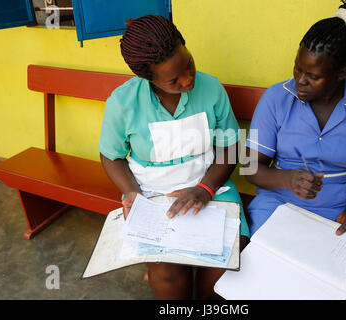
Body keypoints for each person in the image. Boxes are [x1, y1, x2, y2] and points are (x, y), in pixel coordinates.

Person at [98, 15, 250, 300]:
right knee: (166, 268)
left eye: (189, 64)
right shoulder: (123, 103)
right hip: (153, 195)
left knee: (226, 259)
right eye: (173, 80)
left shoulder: (212, 89)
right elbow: (111, 156)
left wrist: (204, 189)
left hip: (211, 184)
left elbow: (229, 146)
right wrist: (132, 194)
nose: (188, 79)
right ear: (148, 79)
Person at [244, 1, 346, 236]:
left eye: (313, 76)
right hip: (278, 204)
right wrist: (287, 178)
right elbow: (249, 167)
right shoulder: (277, 98)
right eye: (298, 69)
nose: (300, 80)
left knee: (326, 268)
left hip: (337, 210)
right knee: (266, 265)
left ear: (341, 73)